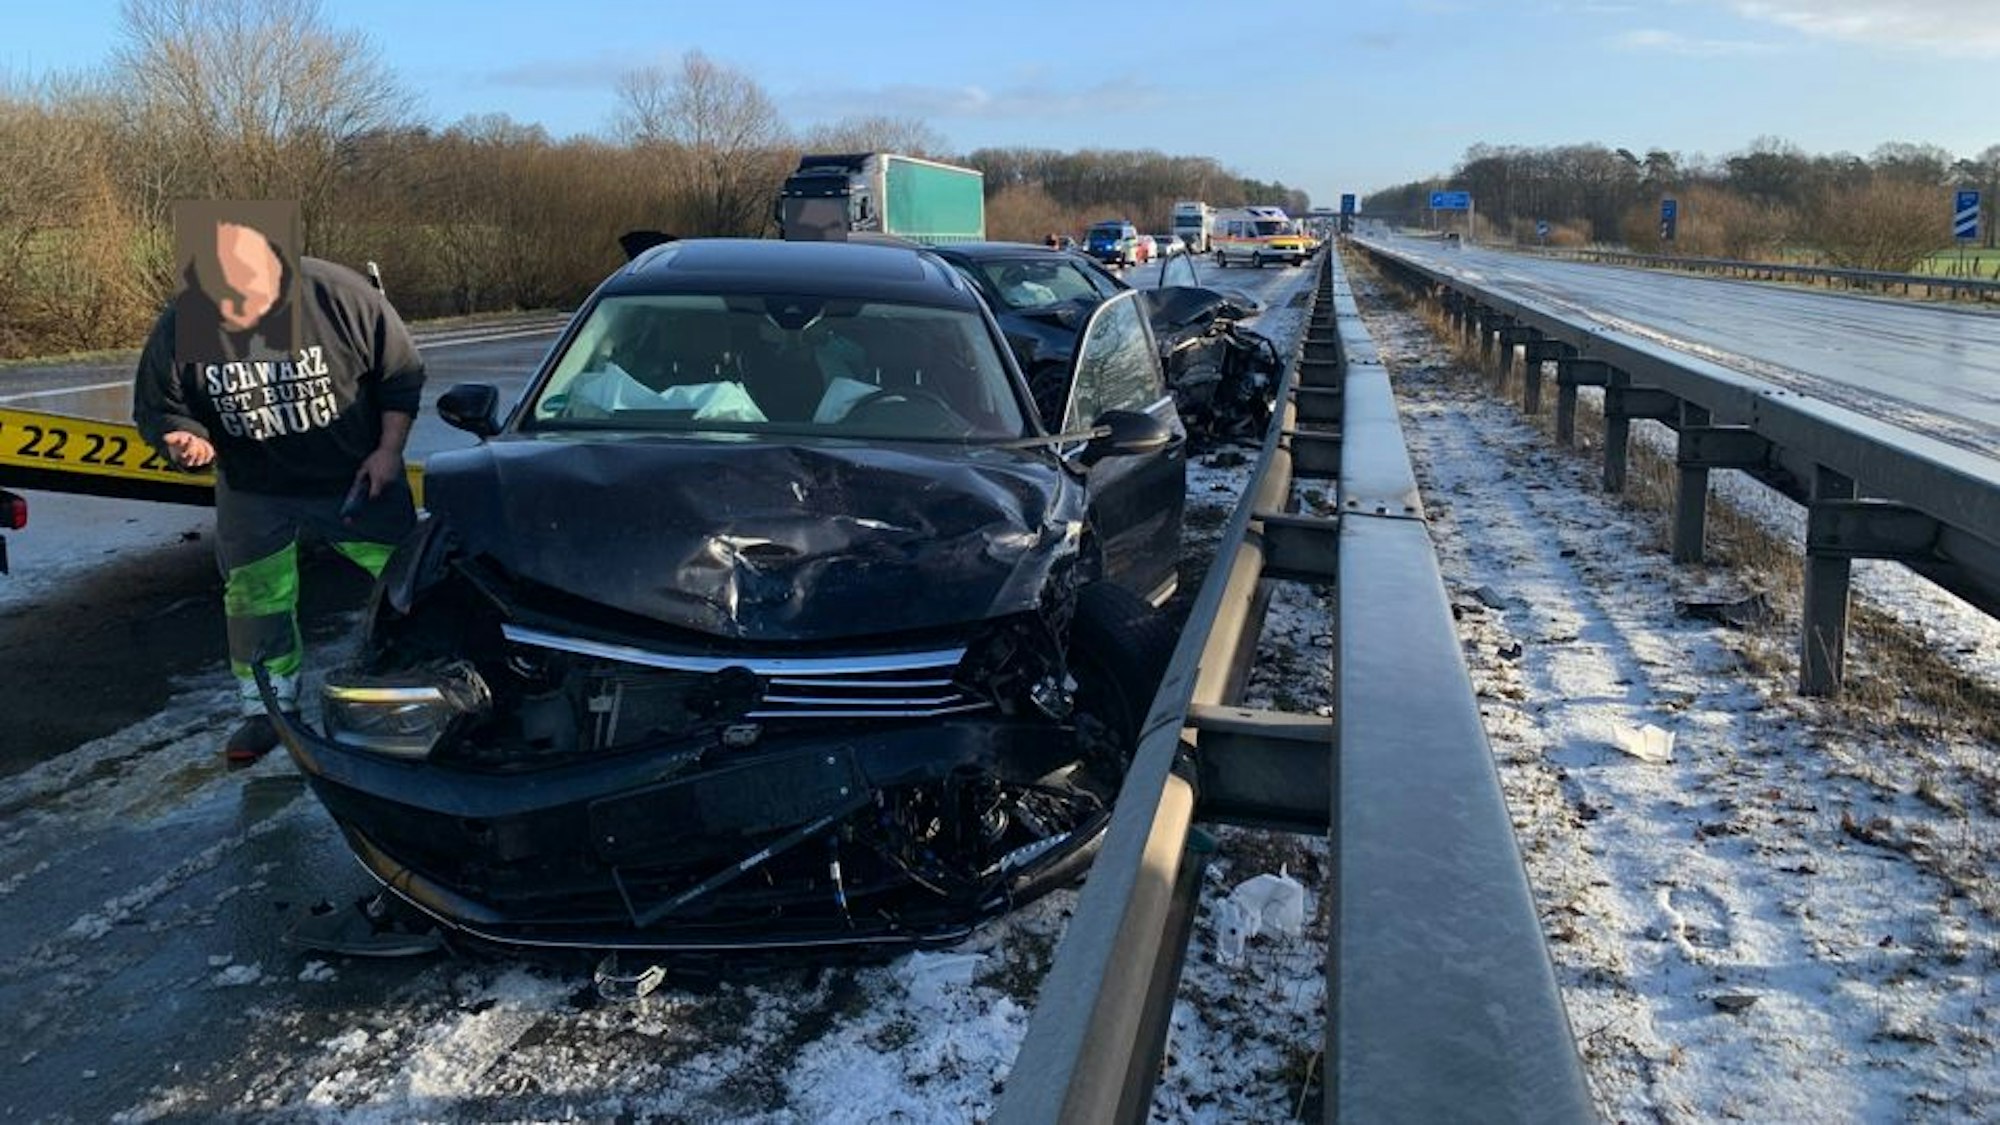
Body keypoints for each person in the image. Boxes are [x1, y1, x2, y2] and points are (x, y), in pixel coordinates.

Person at [134, 218, 425, 764]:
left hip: (353, 474)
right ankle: (267, 708)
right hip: (254, 484)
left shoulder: (337, 296)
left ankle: (418, 682)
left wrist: (387, 451)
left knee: (409, 578)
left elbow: (400, 375)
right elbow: (162, 406)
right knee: (254, 596)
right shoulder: (185, 321)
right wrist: (182, 437)